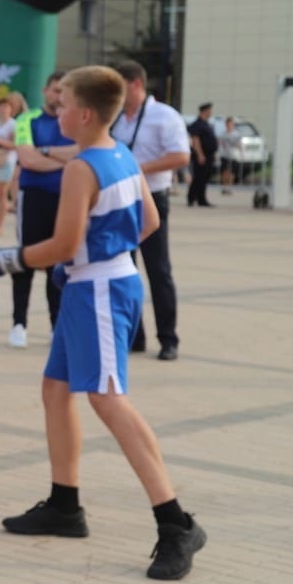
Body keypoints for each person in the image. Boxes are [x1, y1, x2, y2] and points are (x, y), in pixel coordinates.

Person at [0, 65, 207, 581]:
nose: (57, 109)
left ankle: (175, 522)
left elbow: (64, 246)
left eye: (64, 102)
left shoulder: (81, 169)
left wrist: (5, 260)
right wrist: (109, 248)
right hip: (99, 284)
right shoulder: (123, 155)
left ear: (86, 113)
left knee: (108, 398)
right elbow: (151, 221)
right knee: (55, 388)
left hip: (95, 289)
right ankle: (65, 504)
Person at [109, 60, 189, 361]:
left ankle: (168, 339)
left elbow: (181, 156)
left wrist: (136, 169)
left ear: (136, 84)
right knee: (124, 269)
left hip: (152, 197)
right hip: (120, 199)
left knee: (159, 271)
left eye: (119, 86)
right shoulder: (117, 118)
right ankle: (135, 336)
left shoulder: (163, 116)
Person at [9, 72, 76, 349]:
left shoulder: (73, 121)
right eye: (55, 90)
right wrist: (64, 160)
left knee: (59, 263)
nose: (59, 96)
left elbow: (83, 149)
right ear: (45, 90)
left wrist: (45, 151)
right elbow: (27, 158)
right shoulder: (28, 119)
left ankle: (56, 324)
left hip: (66, 198)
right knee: (25, 259)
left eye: (64, 91)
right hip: (34, 197)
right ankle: (18, 323)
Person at [0, 92, 26, 236]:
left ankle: (0, 225)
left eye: (6, 106)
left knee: (2, 194)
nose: (3, 109)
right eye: (1, 106)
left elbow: (16, 145)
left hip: (6, 161)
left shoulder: (14, 125)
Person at [186, 103, 218, 207]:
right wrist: (200, 154)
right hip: (201, 156)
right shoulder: (198, 124)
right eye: (209, 110)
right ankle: (191, 198)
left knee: (203, 178)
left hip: (208, 155)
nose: (211, 112)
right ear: (205, 111)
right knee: (198, 178)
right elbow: (196, 140)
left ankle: (201, 198)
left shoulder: (206, 123)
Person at [218, 117, 239, 194]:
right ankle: (225, 187)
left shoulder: (236, 134)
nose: (229, 125)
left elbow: (239, 144)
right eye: (227, 124)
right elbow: (219, 144)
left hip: (233, 155)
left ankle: (229, 187)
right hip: (224, 155)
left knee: (232, 172)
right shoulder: (223, 134)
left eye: (230, 124)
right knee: (224, 172)